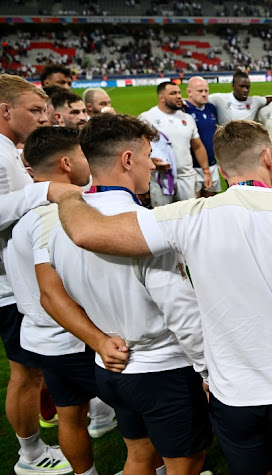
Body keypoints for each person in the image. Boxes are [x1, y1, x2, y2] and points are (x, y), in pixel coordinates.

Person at [50, 119, 272, 475]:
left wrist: (69, 196)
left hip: (231, 388)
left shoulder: (188, 216)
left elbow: (86, 232)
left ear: (221, 169)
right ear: (268, 157)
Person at [48, 113, 210, 475]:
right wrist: (209, 373)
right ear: (127, 159)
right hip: (162, 370)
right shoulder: (146, 227)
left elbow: (61, 294)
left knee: (140, 456)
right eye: (148, 154)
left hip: (110, 366)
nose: (152, 164)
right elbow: (183, 314)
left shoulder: (63, 226)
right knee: (186, 463)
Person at [7, 127, 104, 475]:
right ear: (66, 162)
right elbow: (52, 293)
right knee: (140, 414)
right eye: (82, 155)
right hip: (74, 339)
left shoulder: (27, 214)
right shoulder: (55, 215)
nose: (87, 162)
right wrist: (100, 340)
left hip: (48, 340)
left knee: (71, 415)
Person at [0, 73, 72, 475]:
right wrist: (41, 191)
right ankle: (29, 455)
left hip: (12, 279)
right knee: (26, 374)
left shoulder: (10, 149)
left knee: (31, 371)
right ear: (5, 110)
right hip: (7, 286)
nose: (42, 118)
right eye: (34, 110)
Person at [139, 81, 212, 206]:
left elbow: (198, 146)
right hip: (160, 177)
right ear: (161, 98)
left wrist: (206, 171)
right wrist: (150, 161)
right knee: (162, 217)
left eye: (179, 92)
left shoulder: (187, 118)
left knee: (189, 216)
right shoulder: (146, 118)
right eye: (173, 93)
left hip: (186, 177)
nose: (179, 96)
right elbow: (137, 149)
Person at [183, 77, 221, 197]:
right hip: (191, 167)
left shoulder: (211, 108)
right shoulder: (183, 110)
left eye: (206, 91)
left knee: (211, 203)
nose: (204, 94)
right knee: (194, 205)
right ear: (189, 92)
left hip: (212, 164)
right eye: (200, 91)